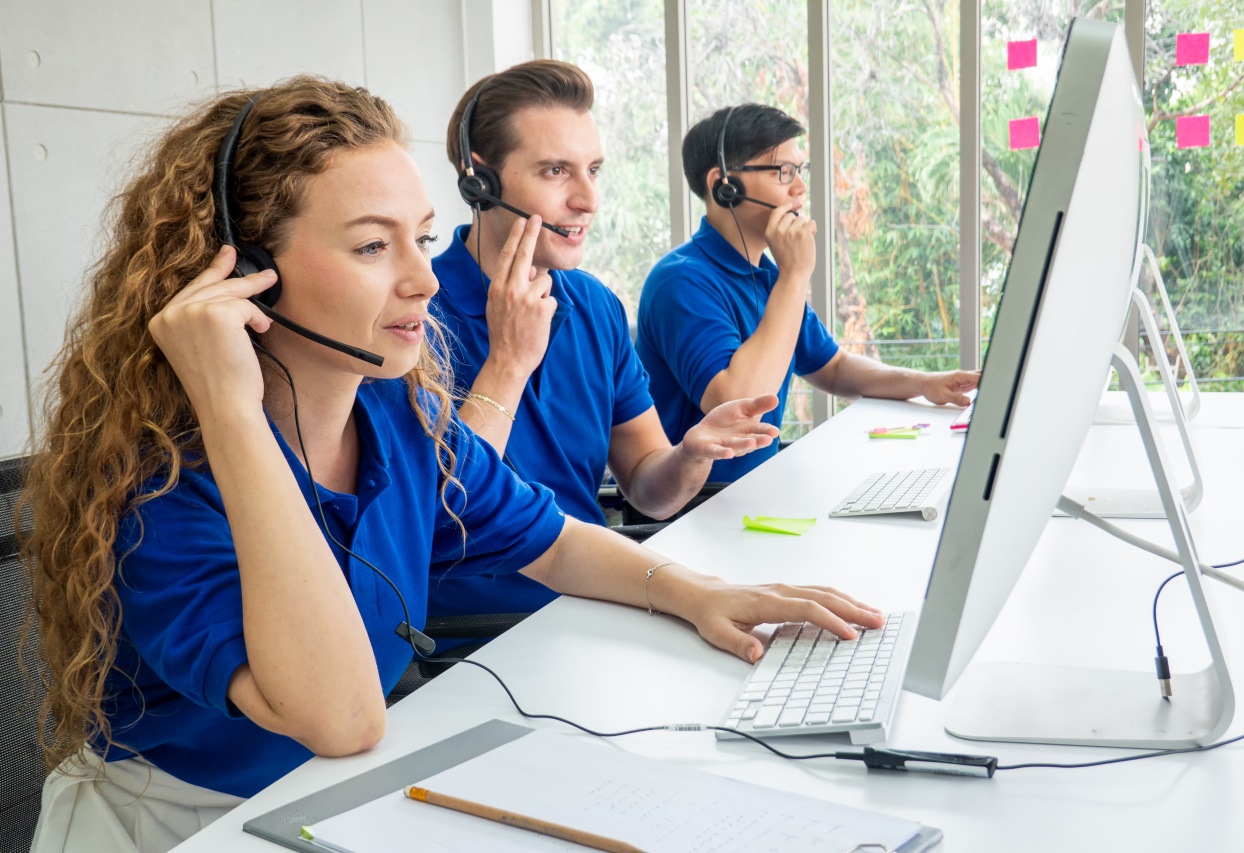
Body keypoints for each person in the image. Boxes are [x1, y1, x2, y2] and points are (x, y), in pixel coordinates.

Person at [19, 78, 883, 853]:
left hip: (323, 797)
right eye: (371, 247)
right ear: (247, 273)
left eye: (423, 238)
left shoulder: (396, 412)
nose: (424, 282)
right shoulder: (162, 483)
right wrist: (231, 410)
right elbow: (341, 716)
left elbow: (552, 539)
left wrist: (700, 592)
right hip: (188, 824)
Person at [428, 61, 780, 625]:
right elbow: (440, 512)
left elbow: (646, 488)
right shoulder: (415, 319)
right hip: (475, 639)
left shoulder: (595, 307)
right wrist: (509, 361)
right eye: (555, 172)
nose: (588, 199)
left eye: (593, 169)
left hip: (601, 601)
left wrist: (689, 455)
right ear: (481, 181)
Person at [636, 104, 981, 482]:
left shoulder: (767, 276)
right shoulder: (681, 282)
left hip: (755, 491)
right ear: (725, 185)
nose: (800, 188)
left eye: (799, 171)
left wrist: (923, 383)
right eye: (784, 172)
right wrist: (796, 274)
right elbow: (735, 404)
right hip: (697, 509)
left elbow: (832, 367)